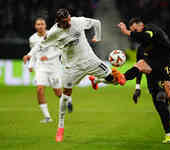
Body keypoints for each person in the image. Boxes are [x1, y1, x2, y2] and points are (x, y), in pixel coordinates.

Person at [24, 8, 126, 142]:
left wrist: (98, 37)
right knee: (65, 96)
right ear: (58, 22)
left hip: (90, 60)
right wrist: (29, 55)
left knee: (116, 81)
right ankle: (60, 127)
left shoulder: (77, 22)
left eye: (69, 19)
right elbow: (40, 45)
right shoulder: (54, 33)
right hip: (71, 68)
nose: (69, 23)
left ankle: (96, 81)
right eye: (65, 22)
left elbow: (96, 23)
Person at [117, 17, 170, 143]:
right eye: (132, 31)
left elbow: (169, 47)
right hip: (153, 66)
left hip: (166, 63)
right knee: (140, 64)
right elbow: (139, 66)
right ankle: (123, 77)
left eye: (134, 30)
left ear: (140, 25)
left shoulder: (151, 30)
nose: (135, 33)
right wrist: (137, 87)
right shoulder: (142, 48)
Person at [23, 17, 62, 123]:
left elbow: (60, 51)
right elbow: (34, 52)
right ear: (35, 26)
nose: (40, 26)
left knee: (58, 92)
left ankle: (67, 100)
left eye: (42, 24)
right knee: (39, 89)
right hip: (40, 67)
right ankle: (47, 117)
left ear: (45, 25)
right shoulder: (32, 39)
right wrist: (30, 65)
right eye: (38, 24)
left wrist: (48, 57)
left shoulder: (52, 35)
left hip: (54, 67)